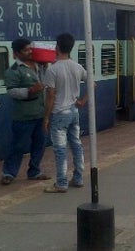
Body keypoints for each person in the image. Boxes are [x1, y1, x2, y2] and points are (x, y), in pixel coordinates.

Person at [1, 38, 51, 185]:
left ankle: (34, 171)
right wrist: (29, 91)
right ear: (16, 53)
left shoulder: (39, 65)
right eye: (26, 50)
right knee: (18, 145)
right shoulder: (14, 71)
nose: (30, 52)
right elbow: (11, 91)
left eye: (30, 49)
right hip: (24, 115)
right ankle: (9, 173)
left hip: (40, 114)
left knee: (40, 144)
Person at [43, 33, 88, 193]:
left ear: (57, 47)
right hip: (74, 112)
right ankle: (78, 178)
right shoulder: (77, 67)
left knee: (60, 149)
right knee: (76, 145)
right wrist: (82, 101)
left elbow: (51, 95)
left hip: (59, 114)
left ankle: (61, 183)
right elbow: (93, 84)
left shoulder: (53, 70)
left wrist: (46, 117)